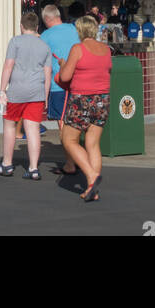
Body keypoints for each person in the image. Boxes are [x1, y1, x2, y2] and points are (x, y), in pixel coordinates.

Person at [56, 14, 113, 202]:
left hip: (82, 100)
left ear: (79, 30)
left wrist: (63, 65)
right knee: (93, 143)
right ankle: (92, 189)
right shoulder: (106, 50)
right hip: (102, 100)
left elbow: (65, 77)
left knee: (69, 139)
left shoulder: (78, 49)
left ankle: (91, 175)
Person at [0, 11, 52, 180]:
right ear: (36, 27)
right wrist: (45, 96)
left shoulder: (15, 42)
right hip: (37, 92)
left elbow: (8, 66)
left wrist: (2, 90)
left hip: (16, 91)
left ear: (21, 26)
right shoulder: (45, 46)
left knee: (10, 125)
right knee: (32, 129)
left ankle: (7, 164)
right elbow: (47, 73)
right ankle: (33, 168)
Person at [39, 4, 81, 174]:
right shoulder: (74, 29)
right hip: (78, 83)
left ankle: (70, 164)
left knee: (63, 124)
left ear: (47, 19)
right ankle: (79, 157)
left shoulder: (45, 35)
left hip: (59, 85)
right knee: (76, 123)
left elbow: (39, 61)